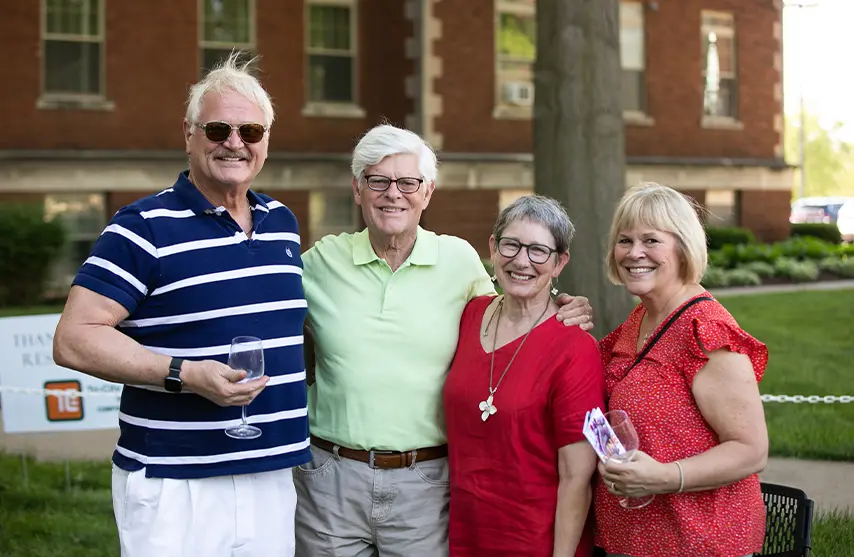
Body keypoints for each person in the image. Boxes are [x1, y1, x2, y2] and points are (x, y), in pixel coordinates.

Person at [295, 124, 594, 556]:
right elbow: (256, 309)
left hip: (424, 482)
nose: (392, 194)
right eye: (377, 181)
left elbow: (514, 307)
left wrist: (561, 303)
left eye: (407, 182)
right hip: (330, 479)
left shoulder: (458, 261)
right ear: (358, 190)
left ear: (427, 192)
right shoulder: (320, 261)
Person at [52, 54, 309, 557]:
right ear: (189, 134)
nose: (235, 143)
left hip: (270, 474)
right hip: (175, 481)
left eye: (251, 132)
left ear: (266, 142)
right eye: (218, 128)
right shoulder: (142, 226)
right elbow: (75, 337)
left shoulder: (282, 222)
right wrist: (185, 373)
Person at [594, 183, 769, 557]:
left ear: (683, 246)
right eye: (624, 240)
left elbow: (751, 450)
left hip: (700, 540)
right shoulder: (642, 318)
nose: (634, 253)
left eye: (651, 240)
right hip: (640, 539)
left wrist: (664, 477)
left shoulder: (704, 330)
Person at [443, 195, 605, 557]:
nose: (521, 261)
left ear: (560, 262)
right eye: (511, 245)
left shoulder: (575, 348)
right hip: (462, 532)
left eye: (538, 251)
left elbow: (577, 476)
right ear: (493, 247)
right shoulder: (470, 314)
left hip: (535, 539)